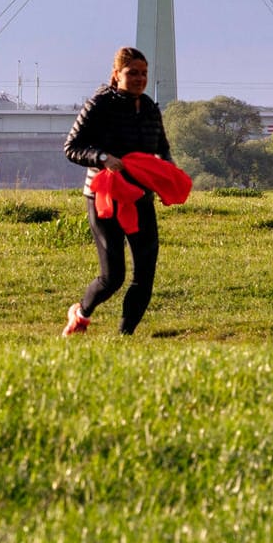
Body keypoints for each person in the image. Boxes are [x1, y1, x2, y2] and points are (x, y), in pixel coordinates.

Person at [61, 46, 175, 337]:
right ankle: (81, 313)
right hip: (104, 199)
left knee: (145, 273)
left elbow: (162, 148)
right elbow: (72, 147)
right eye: (132, 73)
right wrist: (102, 158)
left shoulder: (149, 106)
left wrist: (167, 179)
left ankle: (125, 337)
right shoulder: (100, 103)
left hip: (139, 198)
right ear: (116, 75)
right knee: (113, 276)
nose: (139, 79)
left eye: (144, 73)